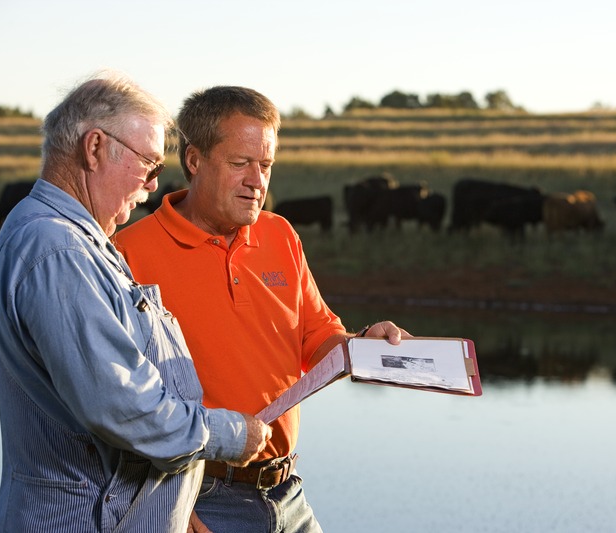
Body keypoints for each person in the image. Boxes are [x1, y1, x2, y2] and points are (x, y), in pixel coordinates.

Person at [114, 86, 410, 532]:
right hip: (199, 495)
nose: (258, 181)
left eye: (265, 165)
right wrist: (177, 512)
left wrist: (359, 345)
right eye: (240, 164)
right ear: (194, 161)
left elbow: (317, 338)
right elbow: (118, 401)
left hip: (287, 491)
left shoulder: (280, 234)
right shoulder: (129, 253)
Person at [0, 72, 271, 533]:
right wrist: (230, 434)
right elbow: (122, 407)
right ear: (95, 148)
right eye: (149, 165)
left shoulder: (75, 240)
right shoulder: (59, 250)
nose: (153, 187)